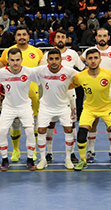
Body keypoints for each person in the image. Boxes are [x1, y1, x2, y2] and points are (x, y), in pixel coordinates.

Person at [71, 48, 111, 172]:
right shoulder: (80, 77)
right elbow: (67, 87)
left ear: (100, 60)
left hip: (107, 108)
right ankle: (83, 160)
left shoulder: (109, 74)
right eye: (90, 58)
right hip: (89, 109)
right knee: (81, 135)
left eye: (95, 58)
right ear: (86, 61)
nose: (93, 61)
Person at [0, 25, 43, 162]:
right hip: (12, 96)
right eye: (19, 35)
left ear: (28, 36)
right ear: (15, 37)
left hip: (31, 94)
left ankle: (32, 153)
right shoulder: (8, 51)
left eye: (24, 34)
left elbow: (41, 71)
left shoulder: (37, 51)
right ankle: (15, 150)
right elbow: (0, 66)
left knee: (32, 124)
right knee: (14, 125)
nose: (22, 37)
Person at [39, 29, 86, 164]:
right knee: (49, 124)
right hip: (50, 94)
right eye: (58, 37)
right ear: (54, 40)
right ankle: (48, 153)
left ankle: (71, 154)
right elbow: (42, 72)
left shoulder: (72, 54)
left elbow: (83, 71)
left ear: (67, 39)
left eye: (63, 37)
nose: (60, 39)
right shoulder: (47, 55)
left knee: (70, 124)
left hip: (69, 94)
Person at [0, 48, 38, 171]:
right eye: (12, 60)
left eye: (18, 60)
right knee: (2, 132)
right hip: (8, 107)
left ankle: (30, 159)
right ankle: (4, 160)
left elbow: (42, 78)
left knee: (30, 132)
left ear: (22, 60)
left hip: (25, 107)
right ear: (8, 60)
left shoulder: (29, 72)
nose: (15, 63)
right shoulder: (1, 73)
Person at [80, 28, 111, 163]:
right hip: (92, 91)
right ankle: (91, 150)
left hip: (110, 92)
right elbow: (79, 63)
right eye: (99, 36)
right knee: (92, 122)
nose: (102, 38)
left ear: (108, 37)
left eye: (104, 35)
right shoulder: (89, 51)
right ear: (96, 37)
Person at [36, 49, 79, 170]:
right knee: (41, 130)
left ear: (61, 59)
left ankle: (68, 158)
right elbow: (25, 72)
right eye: (51, 59)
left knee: (69, 129)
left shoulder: (69, 71)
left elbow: (83, 78)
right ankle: (43, 159)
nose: (54, 61)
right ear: (47, 60)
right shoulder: (40, 70)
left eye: (56, 58)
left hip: (63, 106)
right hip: (46, 106)